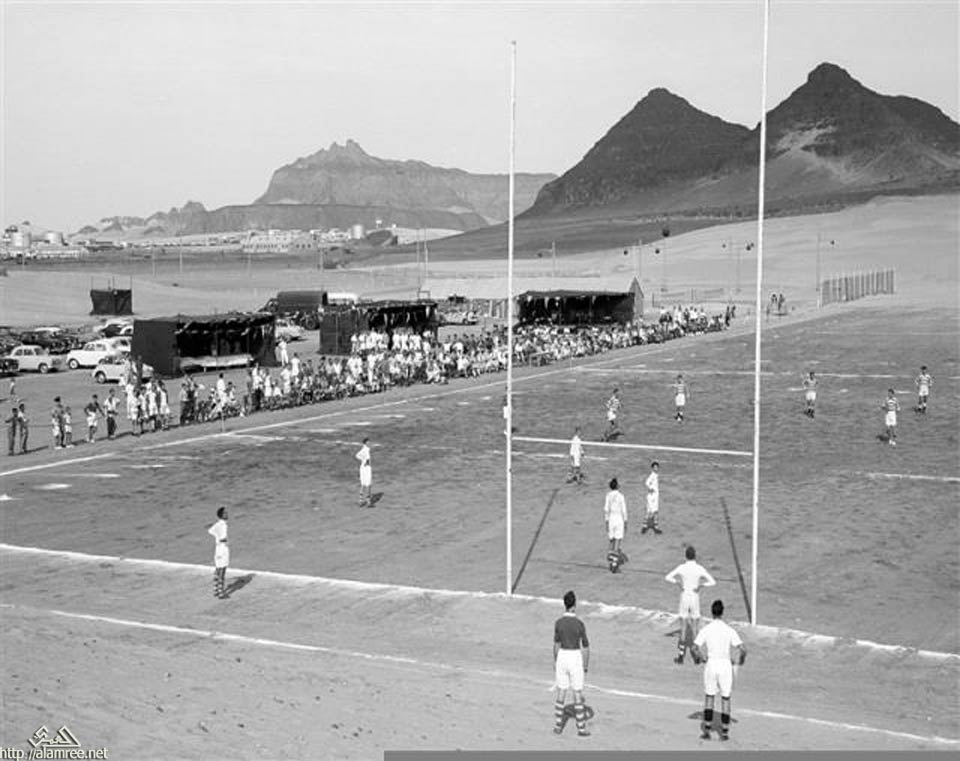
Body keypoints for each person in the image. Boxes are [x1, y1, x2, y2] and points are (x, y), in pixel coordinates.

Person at [691, 599, 746, 741]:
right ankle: (725, 732)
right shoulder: (729, 630)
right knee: (725, 698)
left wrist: (699, 658)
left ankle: (707, 731)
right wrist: (741, 660)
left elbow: (694, 648)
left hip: (711, 664)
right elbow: (743, 649)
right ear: (722, 612)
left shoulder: (706, 629)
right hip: (725, 665)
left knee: (709, 697)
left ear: (712, 612)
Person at [665, 546, 717, 664]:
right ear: (695, 556)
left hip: (684, 596)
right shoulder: (699, 568)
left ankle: (681, 656)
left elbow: (668, 577)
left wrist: (677, 582)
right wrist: (701, 585)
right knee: (695, 627)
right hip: (694, 597)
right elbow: (712, 582)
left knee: (683, 627)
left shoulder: (682, 567)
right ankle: (696, 655)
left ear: (685, 556)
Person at [552, 590, 591, 737]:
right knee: (577, 692)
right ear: (574, 605)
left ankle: (558, 726)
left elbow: (556, 645)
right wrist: (585, 666)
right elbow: (585, 647)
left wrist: (556, 661)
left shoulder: (558, 623)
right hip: (574, 656)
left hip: (562, 655)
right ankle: (581, 728)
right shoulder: (579, 624)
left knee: (561, 691)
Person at [603, 478, 628, 572]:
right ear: (617, 486)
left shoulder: (608, 495)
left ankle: (611, 559)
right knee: (617, 540)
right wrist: (625, 521)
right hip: (618, 518)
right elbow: (624, 510)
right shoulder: (621, 496)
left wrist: (606, 521)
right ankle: (614, 564)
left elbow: (606, 510)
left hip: (611, 519)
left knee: (611, 539)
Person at [207, 507, 229, 599]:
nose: (227, 514)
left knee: (218, 568)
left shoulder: (218, 524)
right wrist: (222, 539)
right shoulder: (223, 525)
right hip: (223, 548)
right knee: (223, 569)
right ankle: (220, 592)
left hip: (218, 548)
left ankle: (216, 589)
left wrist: (217, 536)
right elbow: (222, 537)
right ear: (222, 515)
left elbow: (210, 531)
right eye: (225, 513)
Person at [641, 461, 662, 535]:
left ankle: (655, 527)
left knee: (655, 512)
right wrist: (650, 488)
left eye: (657, 467)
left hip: (655, 496)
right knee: (649, 511)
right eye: (655, 467)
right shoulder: (652, 475)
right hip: (651, 497)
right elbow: (647, 482)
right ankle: (645, 526)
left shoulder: (656, 475)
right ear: (652, 468)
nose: (656, 468)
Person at [356, 437, 372, 507]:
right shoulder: (366, 449)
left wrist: (363, 460)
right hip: (367, 469)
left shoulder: (364, 449)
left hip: (362, 468)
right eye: (368, 442)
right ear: (365, 443)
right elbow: (358, 456)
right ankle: (368, 502)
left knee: (363, 484)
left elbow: (357, 455)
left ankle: (360, 501)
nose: (369, 443)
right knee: (368, 485)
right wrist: (365, 461)